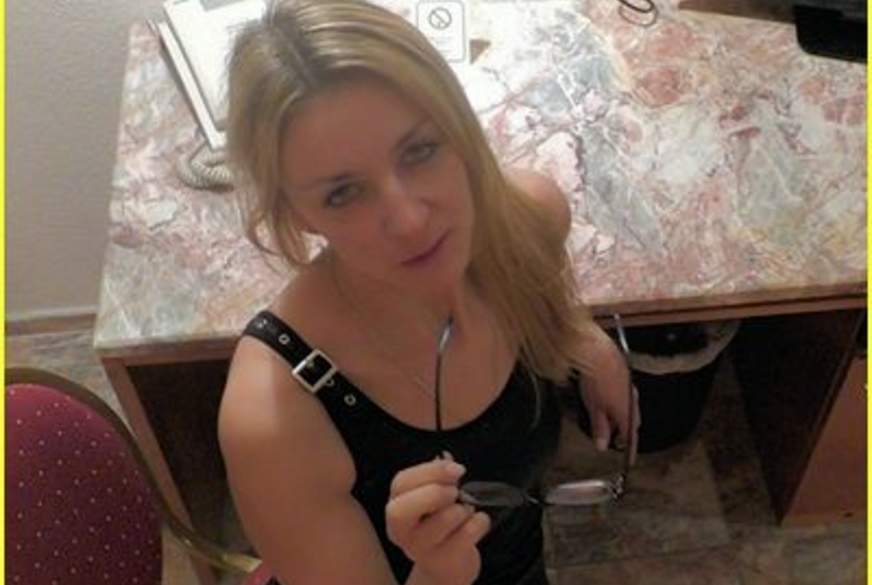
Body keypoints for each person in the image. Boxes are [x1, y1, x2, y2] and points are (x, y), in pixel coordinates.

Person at [217, 1, 636, 584]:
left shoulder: (525, 223)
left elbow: (541, 294)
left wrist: (580, 339)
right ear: (298, 214)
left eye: (420, 151)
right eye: (343, 193)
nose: (411, 220)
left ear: (459, 129)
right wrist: (438, 573)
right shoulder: (276, 418)